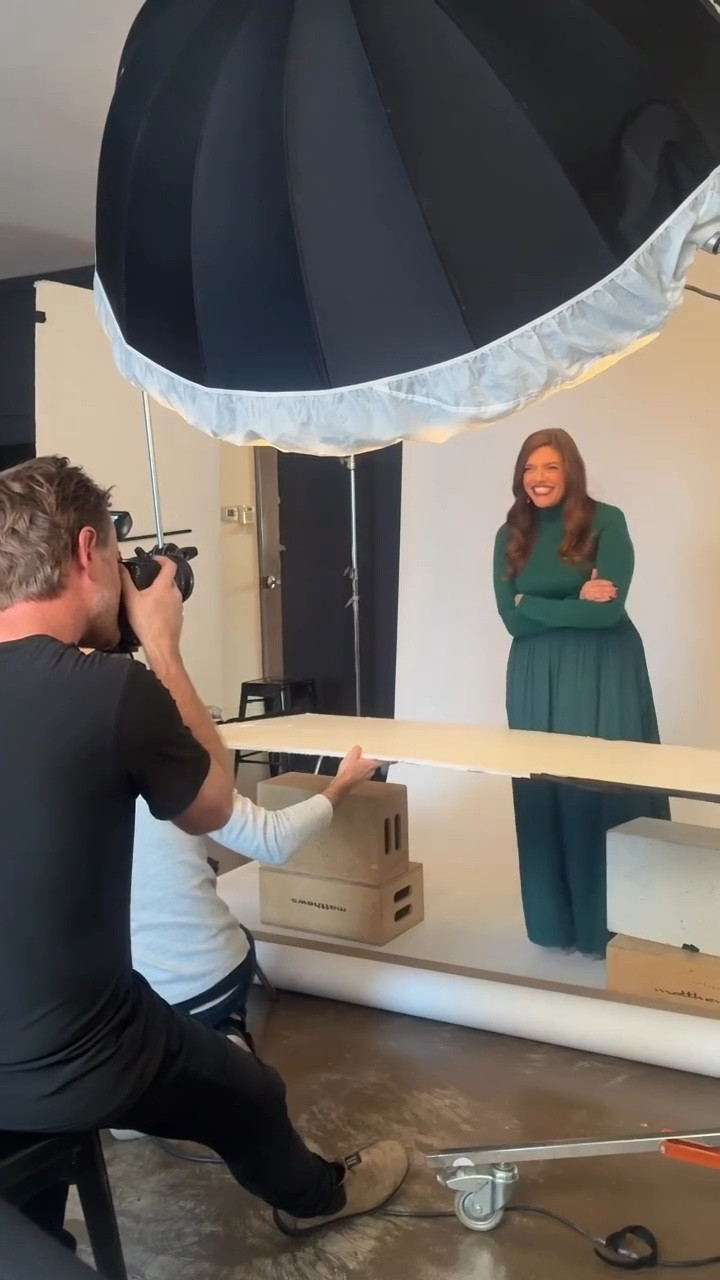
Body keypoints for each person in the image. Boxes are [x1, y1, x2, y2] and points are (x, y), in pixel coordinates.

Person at [0, 456, 407, 1254]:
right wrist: (162, 645)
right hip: (91, 1054)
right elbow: (216, 803)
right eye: (118, 561)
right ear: (87, 552)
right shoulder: (110, 692)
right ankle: (317, 1196)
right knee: (250, 1090)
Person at [493, 429, 669, 958]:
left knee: (604, 790)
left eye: (550, 467)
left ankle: (614, 929)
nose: (539, 478)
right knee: (542, 788)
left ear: (570, 470)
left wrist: (536, 600)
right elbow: (510, 620)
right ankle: (556, 925)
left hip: (602, 670)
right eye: (530, 468)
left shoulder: (606, 521)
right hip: (533, 673)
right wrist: (574, 597)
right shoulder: (510, 533)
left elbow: (608, 612)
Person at [128, 746, 380, 1045]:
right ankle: (226, 1036)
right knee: (230, 944)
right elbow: (272, 840)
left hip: (117, 997)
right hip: (199, 986)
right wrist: (342, 783)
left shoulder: (63, 781)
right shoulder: (167, 768)